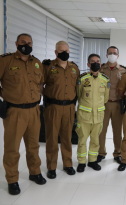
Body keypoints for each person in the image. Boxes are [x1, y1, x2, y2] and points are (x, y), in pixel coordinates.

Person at [0, 33, 46, 195]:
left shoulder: (37, 63)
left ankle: (35, 172)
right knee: (12, 148)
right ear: (16, 43)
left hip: (34, 110)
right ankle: (12, 179)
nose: (26, 44)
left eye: (29, 42)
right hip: (15, 111)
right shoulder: (5, 61)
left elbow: (40, 84)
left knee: (33, 145)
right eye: (23, 42)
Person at [42, 41, 80, 179]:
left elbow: (77, 87)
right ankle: (51, 167)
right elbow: (40, 85)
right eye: (61, 51)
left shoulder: (74, 68)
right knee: (51, 137)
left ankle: (67, 164)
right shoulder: (47, 66)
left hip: (70, 107)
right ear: (56, 52)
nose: (64, 53)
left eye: (66, 51)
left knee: (67, 137)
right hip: (53, 107)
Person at [75, 54, 110, 172]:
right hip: (84, 115)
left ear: (100, 64)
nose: (96, 63)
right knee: (82, 139)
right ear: (88, 64)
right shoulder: (82, 79)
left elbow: (105, 98)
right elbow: (79, 96)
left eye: (98, 61)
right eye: (93, 61)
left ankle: (92, 161)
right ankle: (81, 162)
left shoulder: (105, 79)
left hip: (98, 116)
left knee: (95, 140)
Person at [97, 46, 126, 164]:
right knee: (101, 130)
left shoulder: (123, 71)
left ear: (118, 56)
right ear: (106, 55)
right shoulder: (100, 69)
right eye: (110, 53)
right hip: (103, 104)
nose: (112, 55)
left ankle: (117, 153)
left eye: (114, 53)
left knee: (117, 131)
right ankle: (101, 152)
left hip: (117, 104)